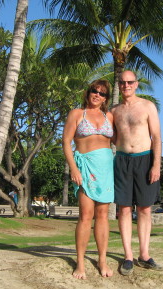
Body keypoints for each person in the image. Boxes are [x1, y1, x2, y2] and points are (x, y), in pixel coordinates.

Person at [111, 70, 163, 276]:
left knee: (144, 209)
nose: (126, 86)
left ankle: (144, 254)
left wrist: (156, 165)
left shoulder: (147, 106)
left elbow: (157, 137)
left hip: (145, 160)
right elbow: (111, 137)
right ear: (119, 85)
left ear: (137, 84)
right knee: (123, 210)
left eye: (130, 82)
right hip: (122, 161)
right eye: (122, 83)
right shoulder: (114, 111)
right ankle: (128, 257)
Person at [62, 80, 114, 279]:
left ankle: (102, 260)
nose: (97, 95)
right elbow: (66, 142)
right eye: (94, 91)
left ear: (106, 98)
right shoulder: (76, 114)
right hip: (85, 168)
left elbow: (120, 138)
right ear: (88, 92)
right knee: (85, 215)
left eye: (102, 93)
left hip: (106, 169)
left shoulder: (109, 116)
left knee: (102, 215)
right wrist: (73, 168)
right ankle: (80, 262)